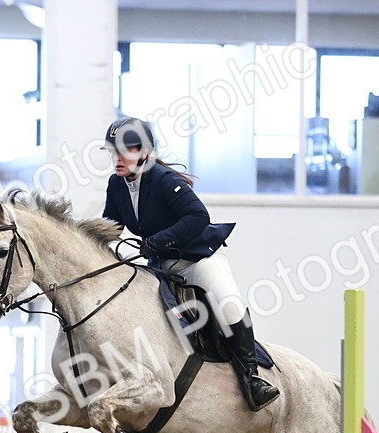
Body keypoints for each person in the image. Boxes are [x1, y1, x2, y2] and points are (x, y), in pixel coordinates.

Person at [101, 117, 279, 412]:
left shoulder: (163, 179)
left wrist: (156, 242)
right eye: (113, 152)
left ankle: (252, 377)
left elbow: (199, 217)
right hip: (160, 266)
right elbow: (110, 226)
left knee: (228, 300)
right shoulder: (116, 185)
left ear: (144, 152)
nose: (117, 159)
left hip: (197, 259)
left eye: (125, 151)